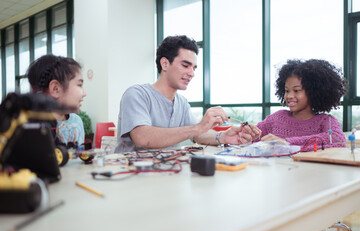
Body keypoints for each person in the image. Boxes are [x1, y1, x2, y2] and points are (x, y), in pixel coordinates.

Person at [115, 35, 261, 153]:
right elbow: (143, 138)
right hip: (130, 175)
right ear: (165, 64)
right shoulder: (136, 94)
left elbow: (198, 135)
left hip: (165, 174)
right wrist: (198, 127)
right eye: (185, 65)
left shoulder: (182, 102)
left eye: (194, 68)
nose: (191, 73)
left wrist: (223, 137)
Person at [256, 59, 348, 151]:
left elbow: (337, 140)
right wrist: (246, 135)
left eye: (296, 90)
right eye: (287, 91)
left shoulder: (325, 121)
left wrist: (287, 143)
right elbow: (254, 138)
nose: (289, 96)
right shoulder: (276, 118)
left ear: (313, 92)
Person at [26, 54, 87, 146]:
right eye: (79, 85)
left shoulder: (76, 121)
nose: (84, 94)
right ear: (55, 89)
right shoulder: (31, 127)